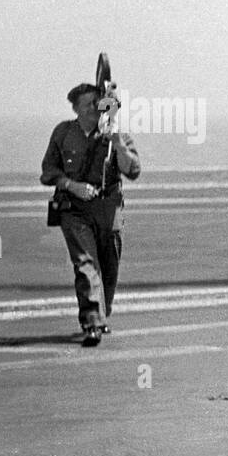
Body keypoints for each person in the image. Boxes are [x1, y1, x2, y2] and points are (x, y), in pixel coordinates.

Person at [40, 82, 142, 346]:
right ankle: (92, 323)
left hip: (109, 209)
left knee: (109, 267)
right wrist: (71, 185)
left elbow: (133, 171)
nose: (94, 109)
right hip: (75, 210)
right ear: (76, 109)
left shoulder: (113, 134)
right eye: (88, 105)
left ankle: (101, 314)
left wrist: (117, 140)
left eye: (98, 104)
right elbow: (48, 171)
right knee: (86, 265)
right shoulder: (63, 133)